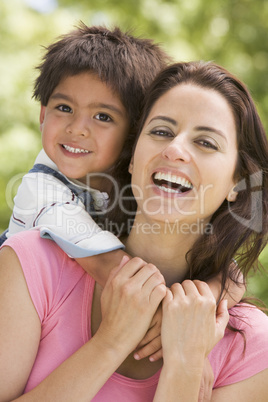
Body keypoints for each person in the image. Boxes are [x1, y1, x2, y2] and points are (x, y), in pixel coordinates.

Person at [0, 60, 267, 401]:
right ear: (131, 157)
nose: (174, 149)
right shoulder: (31, 264)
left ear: (239, 183)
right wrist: (110, 343)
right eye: (161, 132)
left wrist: (184, 365)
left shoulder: (251, 347)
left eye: (206, 142)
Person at [0, 22, 244, 310]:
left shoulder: (138, 186)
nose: (77, 129)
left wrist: (225, 282)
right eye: (64, 108)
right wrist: (203, 298)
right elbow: (114, 271)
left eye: (103, 117)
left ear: (133, 134)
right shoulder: (41, 192)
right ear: (43, 114)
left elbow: (217, 263)